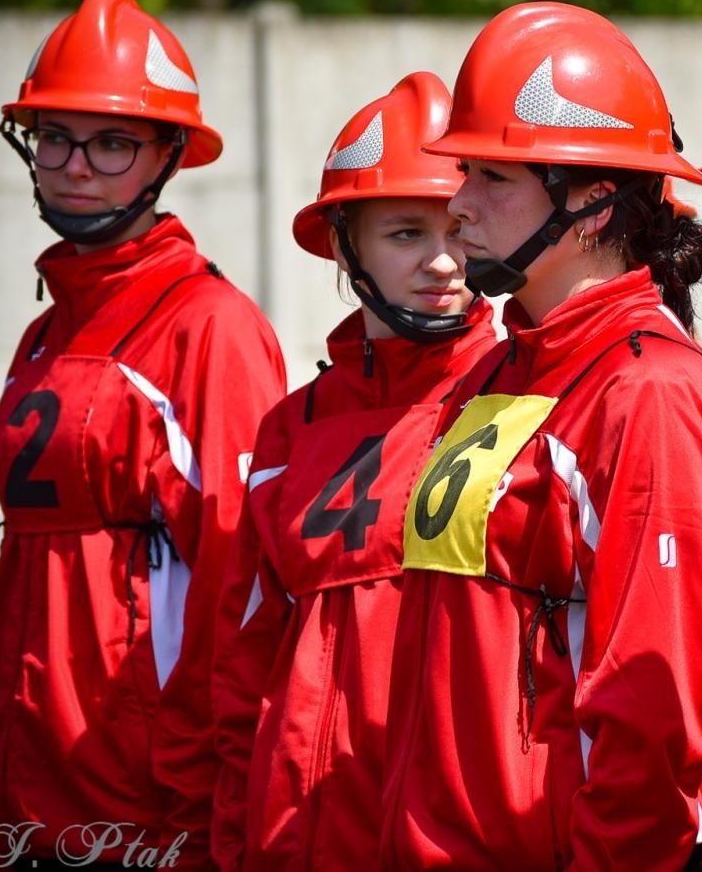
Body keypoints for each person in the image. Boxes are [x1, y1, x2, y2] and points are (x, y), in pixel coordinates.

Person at [379, 2, 702, 871]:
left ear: (592, 204)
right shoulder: (501, 369)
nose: (457, 205)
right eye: (465, 171)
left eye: (492, 177)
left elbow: (656, 707)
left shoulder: (649, 390)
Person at [0, 0, 285, 870]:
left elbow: (238, 587)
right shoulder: (45, 334)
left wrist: (204, 804)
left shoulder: (209, 327)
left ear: (168, 155)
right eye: (55, 137)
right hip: (22, 795)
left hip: (143, 813)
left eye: (112, 142)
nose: (76, 165)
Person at [210, 72, 497, 870]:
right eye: (406, 233)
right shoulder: (288, 431)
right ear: (345, 246)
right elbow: (242, 667)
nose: (444, 263)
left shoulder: (524, 403)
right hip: (294, 842)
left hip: (452, 846)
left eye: (460, 230)